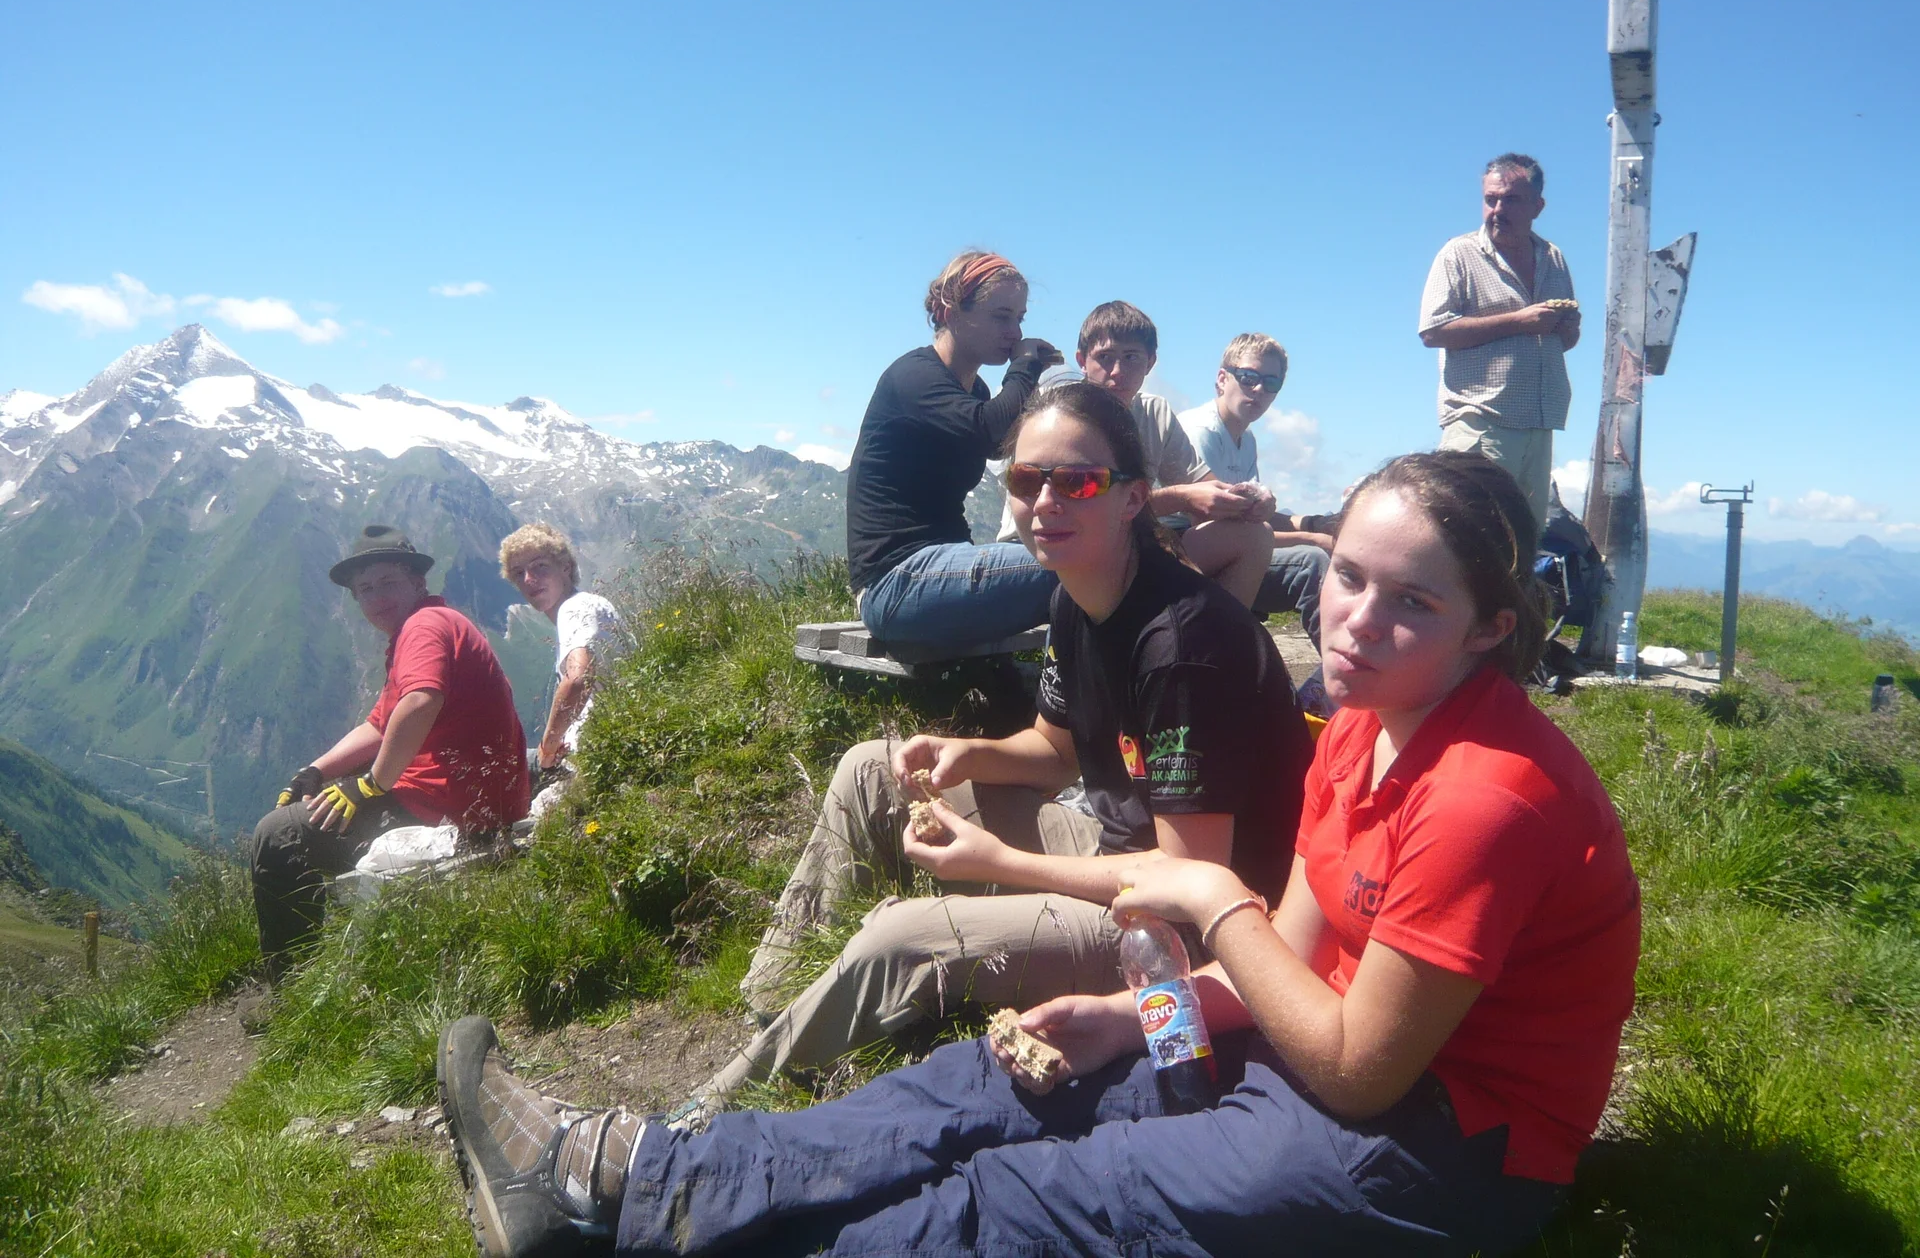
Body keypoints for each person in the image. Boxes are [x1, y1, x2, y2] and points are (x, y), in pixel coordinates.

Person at [437, 450, 1640, 1258]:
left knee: (1041, 1198)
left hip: (1440, 1152)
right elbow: (1303, 966)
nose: (1356, 622)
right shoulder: (1365, 730)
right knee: (995, 1081)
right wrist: (1134, 1022)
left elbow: (1362, 1071)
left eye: (1412, 605)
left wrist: (1217, 903)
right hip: (1306, 1064)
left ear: (1489, 627)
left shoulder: (1489, 796)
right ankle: (630, 1181)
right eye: (1348, 580)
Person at [718, 379, 1312, 1118]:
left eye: (1078, 480)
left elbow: (1191, 874)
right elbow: (1055, 749)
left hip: (1189, 927)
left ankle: (710, 1119)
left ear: (1135, 498)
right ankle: (774, 999)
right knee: (869, 769)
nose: (1045, 501)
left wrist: (996, 865)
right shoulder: (1073, 593)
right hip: (1120, 853)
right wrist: (967, 751)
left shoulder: (1184, 641)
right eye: (1027, 480)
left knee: (900, 939)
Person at [249, 525, 528, 978]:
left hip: (449, 808)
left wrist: (369, 786)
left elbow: (420, 700)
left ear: (418, 583)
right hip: (476, 800)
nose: (376, 597)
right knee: (309, 815)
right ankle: (319, 961)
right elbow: (381, 724)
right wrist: (314, 772)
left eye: (388, 583)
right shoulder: (428, 626)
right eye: (365, 590)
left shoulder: (423, 628)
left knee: (278, 837)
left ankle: (289, 984)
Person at [844, 250, 1064, 648]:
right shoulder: (914, 377)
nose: (1015, 332)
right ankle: (1069, 700)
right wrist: (1025, 366)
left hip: (938, 568)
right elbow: (988, 431)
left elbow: (998, 443)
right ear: (951, 313)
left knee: (1090, 557)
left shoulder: (974, 391)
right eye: (1001, 316)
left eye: (1019, 318)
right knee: (1077, 563)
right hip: (896, 581)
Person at [996, 302, 1276, 608]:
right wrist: (1182, 498)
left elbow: (1205, 487)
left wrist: (1246, 499)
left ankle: (1218, 646)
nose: (1117, 372)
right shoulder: (1059, 414)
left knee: (1252, 536)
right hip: (1044, 543)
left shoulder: (1155, 414)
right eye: (1104, 358)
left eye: (1131, 358)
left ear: (1150, 363)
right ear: (1082, 361)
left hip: (1115, 544)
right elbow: (1081, 505)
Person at [1419, 153, 1581, 531]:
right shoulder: (1458, 254)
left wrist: (1568, 329)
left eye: (1511, 200)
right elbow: (1433, 331)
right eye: (1491, 199)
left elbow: (1561, 342)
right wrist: (1518, 321)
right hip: (1481, 422)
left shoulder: (1553, 258)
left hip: (1539, 425)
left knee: (1524, 540)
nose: (1497, 209)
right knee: (1471, 539)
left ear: (1537, 206)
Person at [1178, 332, 1332, 645]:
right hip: (1176, 548)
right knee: (1312, 562)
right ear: (1222, 379)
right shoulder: (1201, 431)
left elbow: (1247, 521)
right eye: (1248, 378)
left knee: (1321, 556)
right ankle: (1348, 680)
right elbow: (1216, 529)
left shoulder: (1246, 441)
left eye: (1271, 383)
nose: (1259, 389)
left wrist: (1318, 524)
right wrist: (1312, 537)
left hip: (1219, 545)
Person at [499, 522, 630, 785]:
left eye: (539, 566)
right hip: (611, 739)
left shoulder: (574, 609)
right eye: (518, 573)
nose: (528, 579)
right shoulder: (590, 604)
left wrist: (548, 749)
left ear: (565, 568)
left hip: (594, 752)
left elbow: (578, 679)